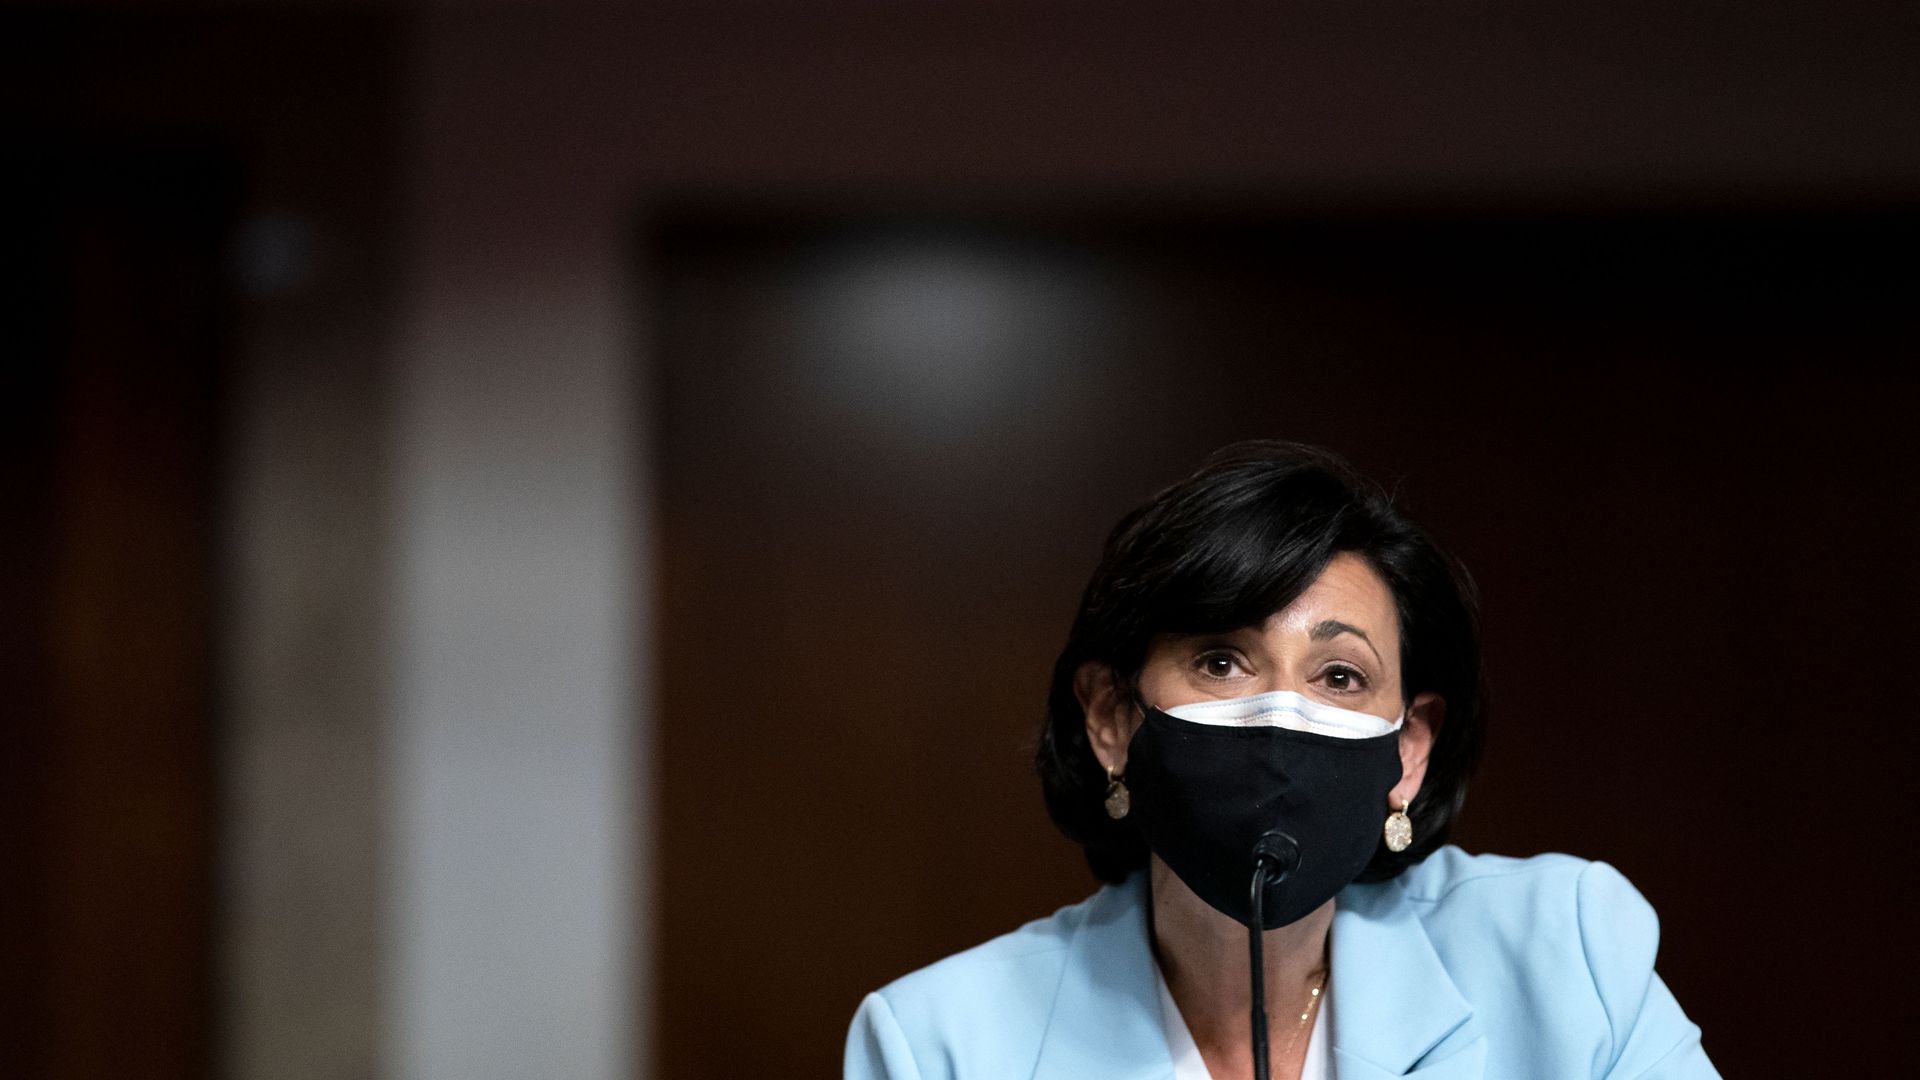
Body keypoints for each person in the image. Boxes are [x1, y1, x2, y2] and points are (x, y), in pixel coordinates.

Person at [843, 441, 1719, 1080]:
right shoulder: (936, 1044)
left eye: (1340, 675)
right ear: (1111, 717)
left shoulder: (1568, 956)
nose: (1280, 715)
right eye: (1221, 661)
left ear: (1407, 753)